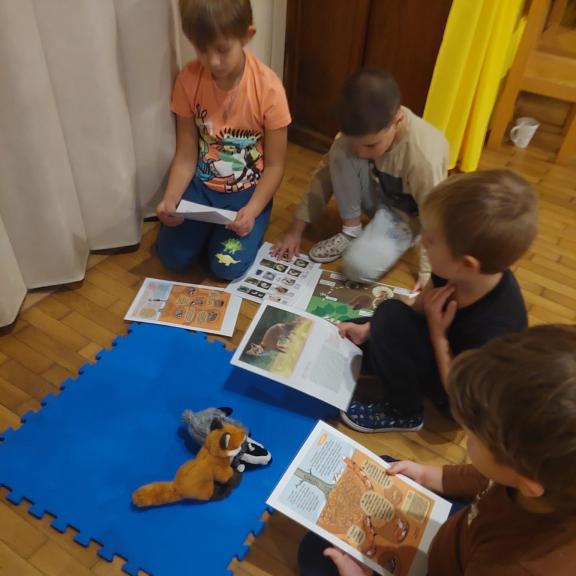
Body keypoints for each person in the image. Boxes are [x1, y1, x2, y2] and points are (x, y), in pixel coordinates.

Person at [299, 325, 576, 576]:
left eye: (472, 437)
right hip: (460, 532)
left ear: (528, 483)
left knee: (313, 558)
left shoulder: (512, 565)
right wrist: (425, 474)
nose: (466, 438)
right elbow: (483, 477)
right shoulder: (538, 478)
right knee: (385, 469)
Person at [338, 170, 538, 432]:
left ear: (466, 264)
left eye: (431, 240)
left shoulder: (496, 326)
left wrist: (438, 334)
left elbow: (464, 399)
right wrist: (370, 329)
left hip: (458, 393)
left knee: (388, 316)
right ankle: (383, 359)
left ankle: (403, 412)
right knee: (365, 327)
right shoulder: (452, 268)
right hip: (436, 342)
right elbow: (421, 304)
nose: (422, 243)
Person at [272, 69, 449, 288]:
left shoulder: (424, 157)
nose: (361, 154)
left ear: (397, 120)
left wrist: (429, 273)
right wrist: (295, 231)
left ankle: (382, 233)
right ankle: (351, 231)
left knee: (356, 268)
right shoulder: (360, 137)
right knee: (340, 149)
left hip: (405, 216)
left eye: (370, 145)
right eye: (357, 145)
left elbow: (434, 216)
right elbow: (323, 176)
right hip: (377, 193)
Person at [155, 0, 291, 280]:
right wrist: (170, 198)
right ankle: (205, 232)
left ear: (247, 36)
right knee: (171, 258)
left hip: (246, 194)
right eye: (202, 50)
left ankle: (253, 218)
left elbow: (275, 166)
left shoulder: (269, 89)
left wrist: (252, 210)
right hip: (201, 190)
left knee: (226, 266)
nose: (213, 62)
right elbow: (186, 156)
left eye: (222, 50)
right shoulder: (188, 80)